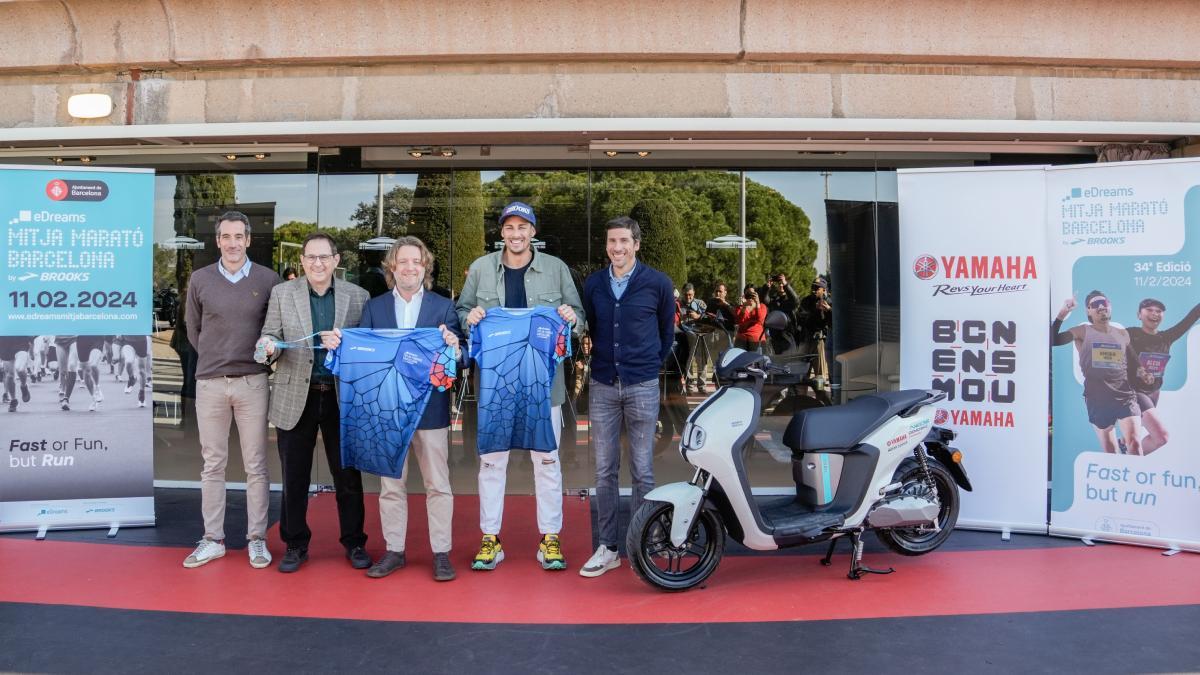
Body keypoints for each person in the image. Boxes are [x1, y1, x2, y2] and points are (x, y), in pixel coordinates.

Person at [457, 201, 583, 572]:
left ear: (533, 232)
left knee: (546, 461)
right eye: (509, 227)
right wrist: (471, 317)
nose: (516, 234)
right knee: (492, 463)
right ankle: (490, 538)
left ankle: (550, 538)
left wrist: (572, 318)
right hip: (497, 385)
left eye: (522, 227)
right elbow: (461, 313)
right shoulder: (481, 270)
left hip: (544, 387)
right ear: (502, 232)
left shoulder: (556, 270)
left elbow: (580, 320)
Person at [343, 236, 464, 582]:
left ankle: (441, 553)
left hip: (430, 412)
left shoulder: (442, 307)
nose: (410, 267)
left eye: (417, 262)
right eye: (403, 261)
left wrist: (454, 347)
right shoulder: (375, 307)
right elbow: (363, 353)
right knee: (391, 487)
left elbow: (459, 357)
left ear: (425, 267)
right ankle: (394, 551)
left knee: (438, 484)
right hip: (387, 413)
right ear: (392, 266)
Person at [259, 232, 371, 573]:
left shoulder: (358, 296)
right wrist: (268, 347)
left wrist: (346, 345)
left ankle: (354, 543)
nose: (317, 263)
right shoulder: (282, 293)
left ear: (337, 260)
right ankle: (295, 544)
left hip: (342, 398)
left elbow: (367, 348)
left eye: (324, 257)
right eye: (310, 257)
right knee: (294, 477)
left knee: (348, 478)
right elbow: (270, 335)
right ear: (302, 261)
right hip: (296, 396)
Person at [182, 211, 282, 569]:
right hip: (210, 383)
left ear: (249, 240)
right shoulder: (200, 279)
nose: (233, 243)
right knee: (213, 465)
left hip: (252, 382)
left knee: (256, 465)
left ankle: (257, 539)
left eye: (239, 236)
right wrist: (215, 356)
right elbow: (193, 328)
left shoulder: (268, 280)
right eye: (226, 236)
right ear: (218, 241)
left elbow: (274, 329)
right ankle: (213, 539)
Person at [579, 216, 675, 577]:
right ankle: (608, 547)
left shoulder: (658, 283)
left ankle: (641, 545)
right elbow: (590, 323)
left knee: (643, 470)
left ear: (636, 244)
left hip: (642, 385)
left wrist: (648, 364)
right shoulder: (594, 284)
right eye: (611, 242)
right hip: (603, 383)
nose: (616, 248)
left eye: (623, 241)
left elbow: (667, 333)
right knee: (604, 470)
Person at [1052, 291, 1143, 455]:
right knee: (1111, 452)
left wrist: (1144, 374)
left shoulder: (1122, 334)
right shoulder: (1082, 331)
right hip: (1097, 399)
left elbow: (1135, 364)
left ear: (1110, 306)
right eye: (1095, 304)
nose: (1101, 306)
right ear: (1088, 311)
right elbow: (1052, 340)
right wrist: (1063, 313)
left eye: (1104, 302)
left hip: (1125, 396)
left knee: (1135, 444)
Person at [1127, 298, 1200, 455]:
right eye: (1149, 310)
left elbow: (1192, 317)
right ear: (1139, 314)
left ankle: (1126, 453)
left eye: (1158, 311)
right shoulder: (1129, 334)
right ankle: (1128, 456)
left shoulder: (1166, 337)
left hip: (1153, 392)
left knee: (1147, 436)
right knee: (1161, 437)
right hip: (1134, 391)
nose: (1154, 313)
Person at [799, 278, 833, 381]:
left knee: (819, 377)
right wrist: (815, 308)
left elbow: (834, 322)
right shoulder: (807, 300)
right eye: (813, 287)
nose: (814, 290)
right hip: (806, 340)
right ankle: (801, 396)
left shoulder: (830, 302)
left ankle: (822, 396)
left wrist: (829, 310)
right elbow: (802, 313)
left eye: (817, 288)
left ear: (824, 289)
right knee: (801, 376)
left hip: (820, 340)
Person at [680, 283, 708, 393]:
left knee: (701, 360)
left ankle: (702, 386)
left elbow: (708, 317)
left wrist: (698, 316)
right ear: (682, 294)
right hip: (685, 336)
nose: (688, 297)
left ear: (694, 293)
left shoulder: (701, 304)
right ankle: (690, 386)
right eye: (686, 295)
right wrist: (682, 317)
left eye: (690, 295)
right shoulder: (677, 304)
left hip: (701, 334)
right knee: (689, 360)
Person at [0, 336, 32, 413]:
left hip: (21, 343)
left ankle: (23, 386)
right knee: (10, 375)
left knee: (20, 369)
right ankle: (13, 400)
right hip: (5, 344)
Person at [734, 285, 767, 352]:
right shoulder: (740, 307)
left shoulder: (762, 306)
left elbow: (760, 319)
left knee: (757, 362)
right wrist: (744, 306)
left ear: (757, 295)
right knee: (739, 361)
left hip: (757, 340)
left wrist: (757, 303)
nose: (750, 297)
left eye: (752, 294)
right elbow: (738, 321)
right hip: (741, 340)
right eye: (748, 294)